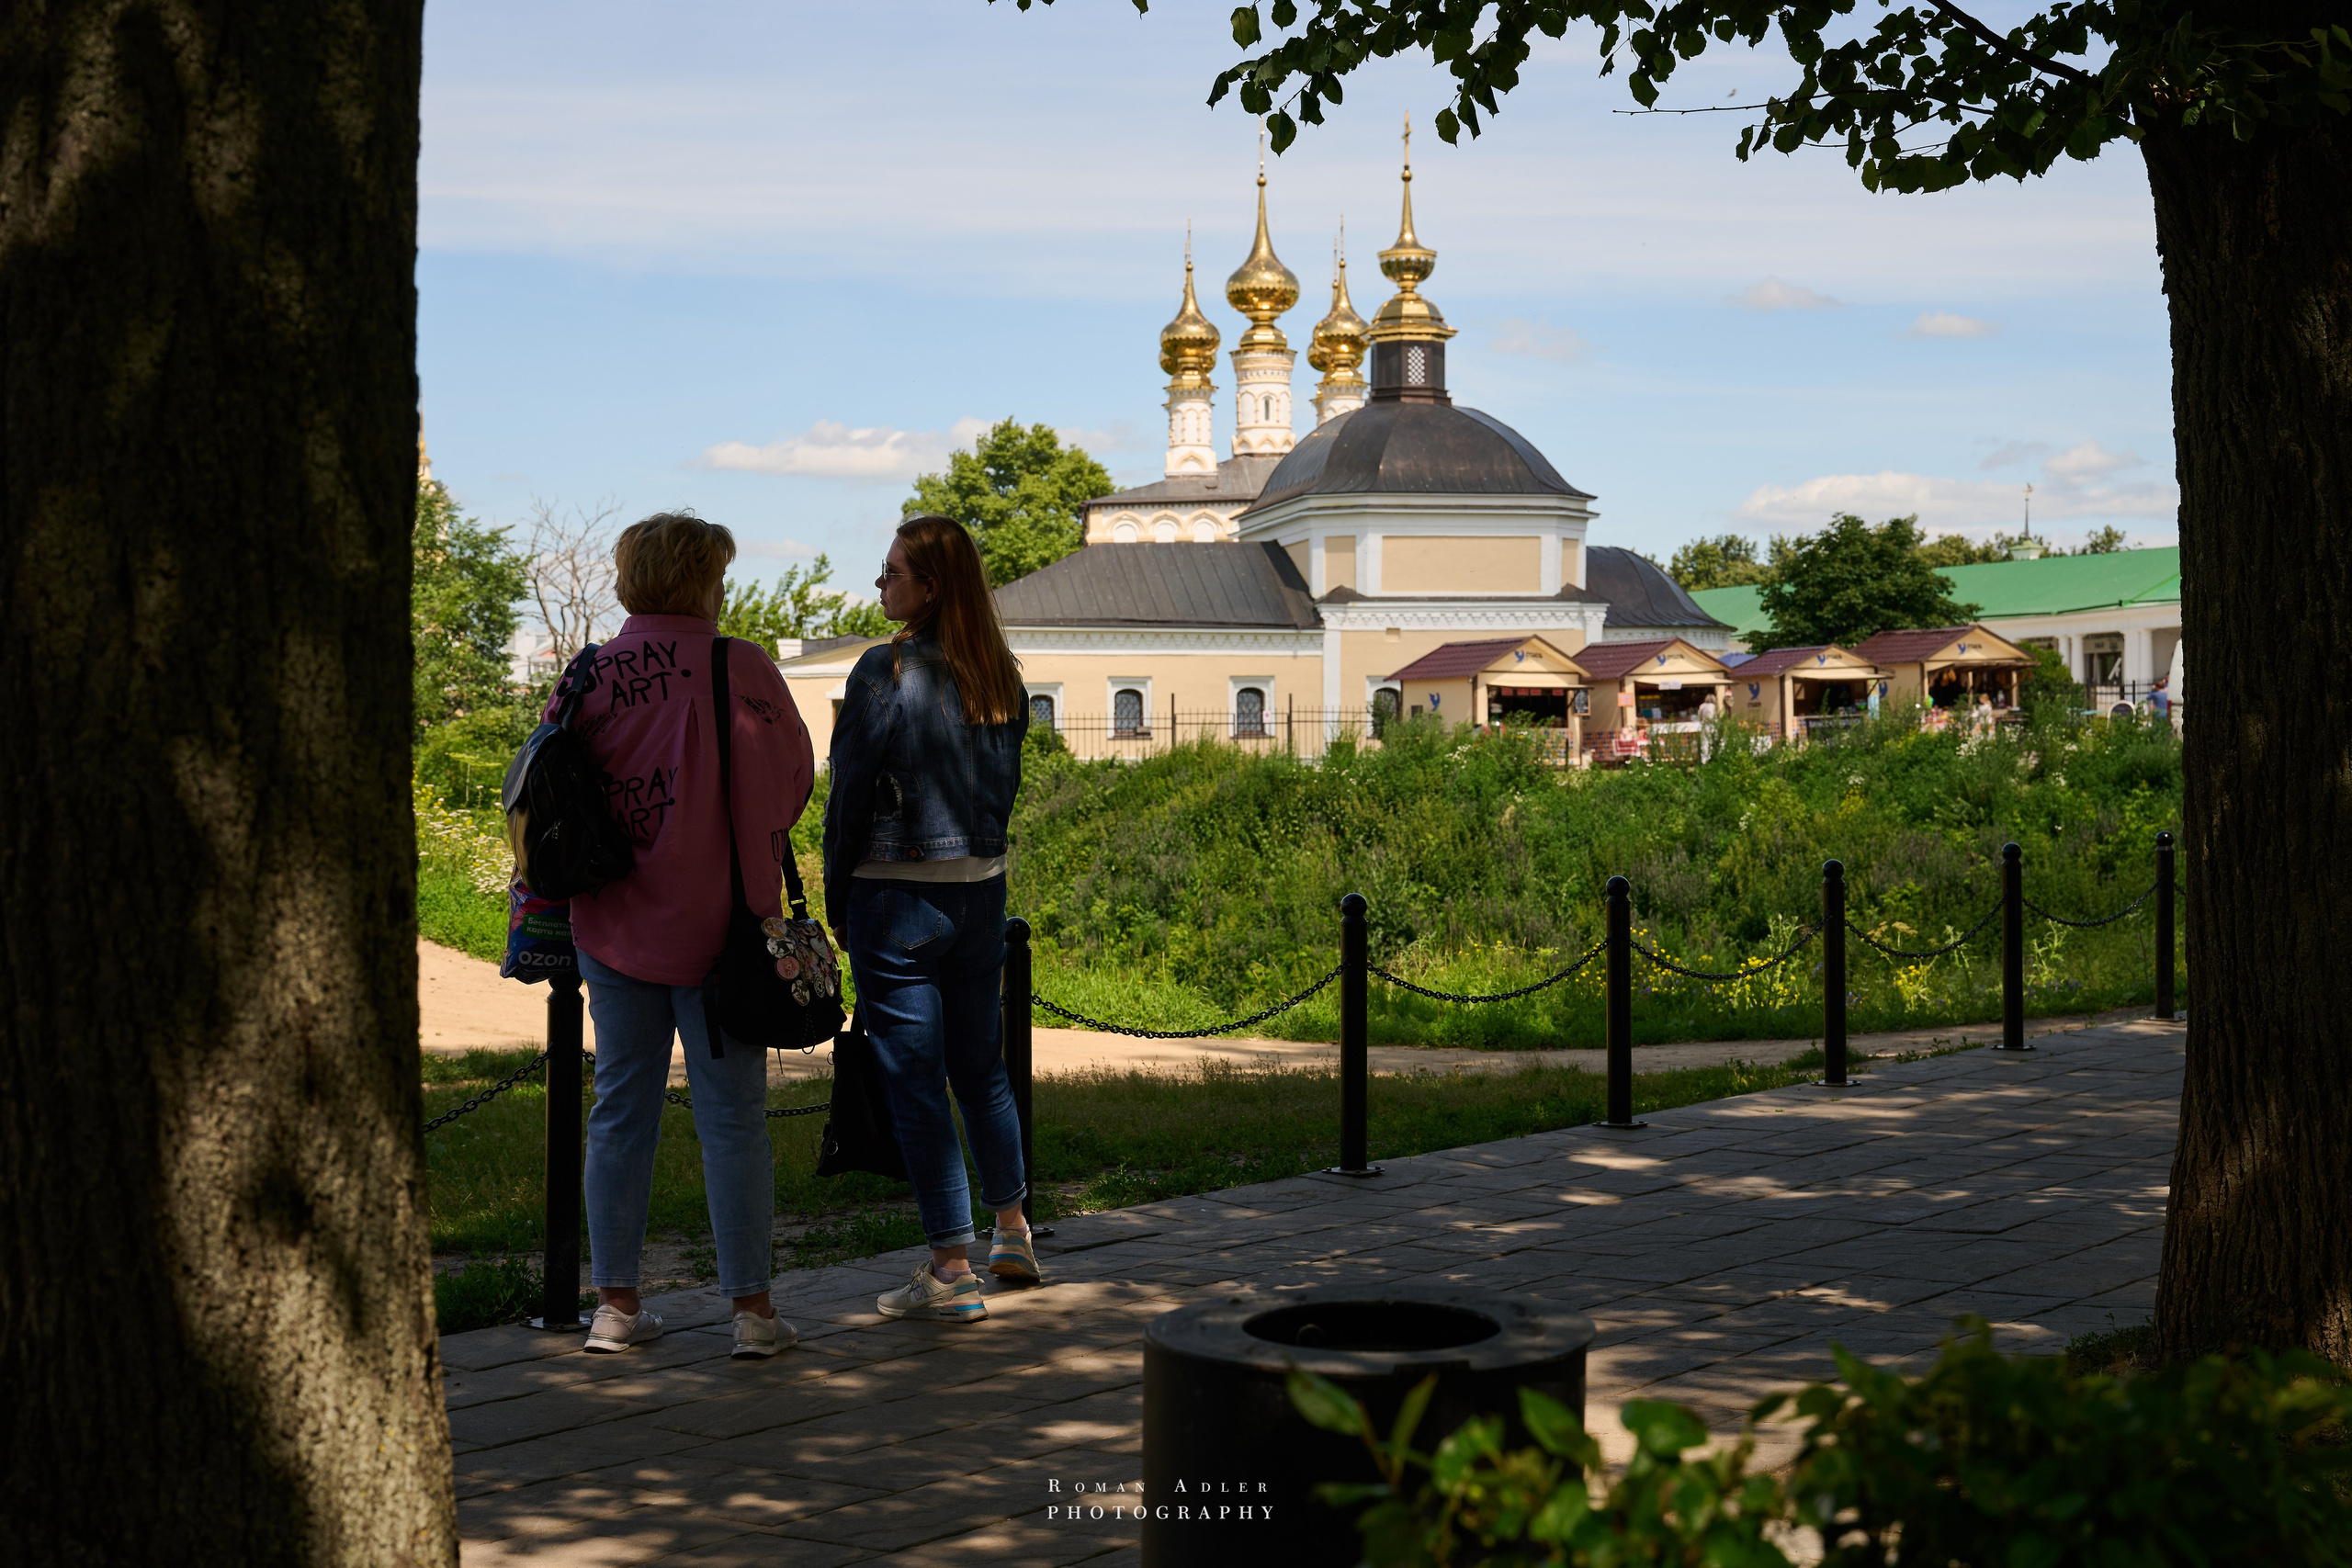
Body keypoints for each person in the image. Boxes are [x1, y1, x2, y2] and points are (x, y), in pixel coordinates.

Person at [555, 512, 816, 1359]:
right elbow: (793, 778)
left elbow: (545, 782)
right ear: (708, 579)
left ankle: (616, 1306)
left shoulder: (588, 672)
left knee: (618, 1111)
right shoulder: (737, 664)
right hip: (723, 935)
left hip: (613, 926)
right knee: (733, 1119)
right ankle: (751, 1313)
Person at [824, 515, 1034, 1323]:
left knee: (916, 1082)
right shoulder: (999, 675)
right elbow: (1003, 791)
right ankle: (1011, 1227)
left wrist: (840, 892)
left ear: (931, 587)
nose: (881, 584)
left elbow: (848, 794)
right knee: (981, 1069)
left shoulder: (886, 669)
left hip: (896, 892)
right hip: (981, 891)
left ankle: (950, 1268)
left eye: (892, 572)